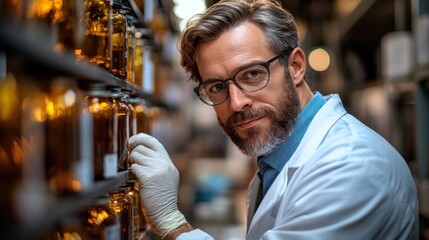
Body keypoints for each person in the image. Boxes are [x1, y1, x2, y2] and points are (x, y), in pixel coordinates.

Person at [128, 0, 419, 239]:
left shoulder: (352, 165)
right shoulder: (275, 158)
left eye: (253, 74)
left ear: (295, 67)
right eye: (217, 87)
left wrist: (170, 223)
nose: (237, 102)